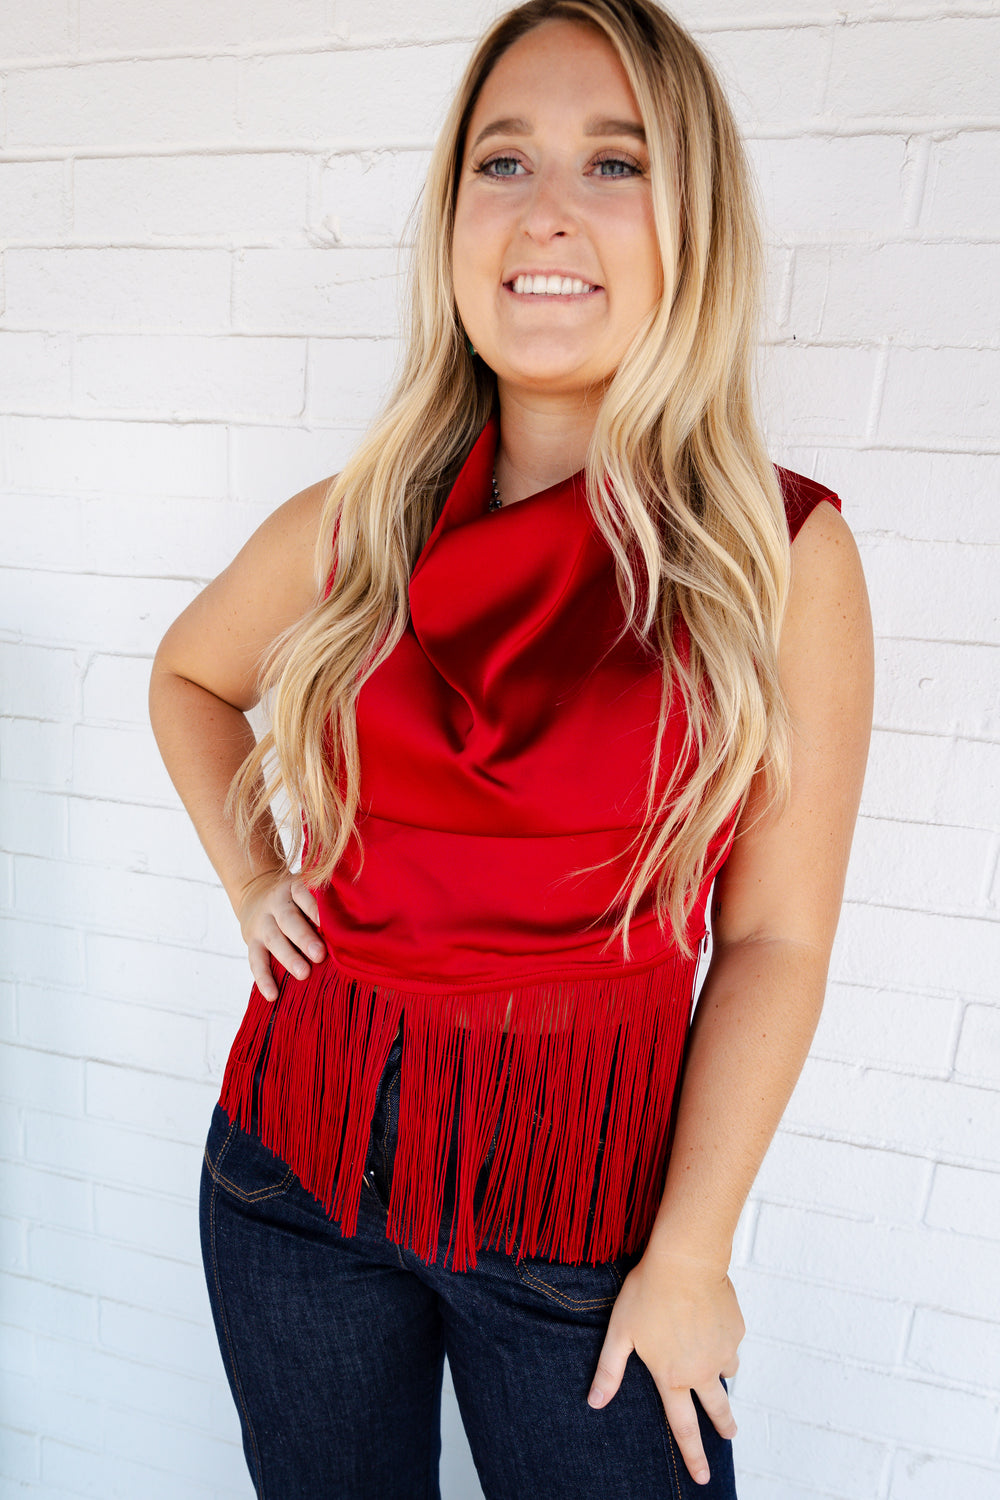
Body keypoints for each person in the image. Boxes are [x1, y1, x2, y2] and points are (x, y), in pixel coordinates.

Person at [149, 1, 873, 1495]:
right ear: (454, 218)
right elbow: (190, 680)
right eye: (503, 162)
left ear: (696, 222)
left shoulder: (775, 554)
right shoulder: (359, 521)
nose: (548, 209)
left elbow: (779, 940)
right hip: (292, 1173)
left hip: (589, 1239)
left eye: (616, 164)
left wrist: (692, 1253)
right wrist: (253, 875)